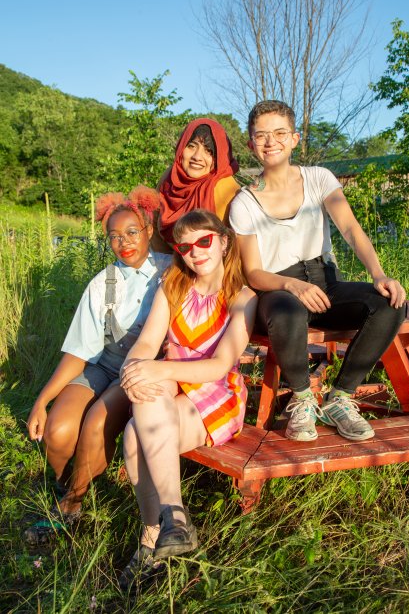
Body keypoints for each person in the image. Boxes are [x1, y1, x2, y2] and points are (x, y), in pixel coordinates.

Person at [229, 100, 406, 443]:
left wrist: (378, 274)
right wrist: (292, 286)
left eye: (280, 133)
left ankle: (340, 398)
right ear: (251, 144)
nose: (271, 142)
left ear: (294, 138)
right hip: (278, 290)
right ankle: (302, 398)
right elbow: (253, 272)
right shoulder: (244, 202)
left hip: (325, 284)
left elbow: (352, 230)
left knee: (389, 303)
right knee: (286, 310)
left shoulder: (318, 178)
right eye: (261, 135)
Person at [117, 209, 256, 589]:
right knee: (141, 411)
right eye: (186, 246)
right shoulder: (174, 286)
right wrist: (132, 373)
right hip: (175, 387)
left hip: (217, 395)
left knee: (134, 435)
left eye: (204, 241)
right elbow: (147, 342)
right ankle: (171, 525)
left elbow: (219, 365)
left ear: (223, 241)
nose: (196, 252)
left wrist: (158, 370)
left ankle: (154, 537)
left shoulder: (242, 297)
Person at [25, 186, 171, 545]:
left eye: (132, 232)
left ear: (149, 230)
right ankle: (72, 483)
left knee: (94, 424)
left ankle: (71, 507)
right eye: (114, 236)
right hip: (104, 365)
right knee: (58, 431)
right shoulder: (103, 283)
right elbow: (79, 350)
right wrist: (42, 401)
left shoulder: (172, 272)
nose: (124, 242)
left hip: (139, 370)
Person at [155, 117, 240, 248]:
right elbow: (155, 238)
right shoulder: (170, 179)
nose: (197, 157)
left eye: (209, 151)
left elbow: (233, 249)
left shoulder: (224, 188)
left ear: (219, 158)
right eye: (191, 146)